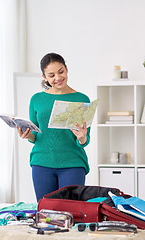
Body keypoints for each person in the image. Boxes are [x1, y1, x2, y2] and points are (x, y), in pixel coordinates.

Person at [17, 52, 91, 202]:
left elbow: (84, 140)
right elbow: (35, 134)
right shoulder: (37, 99)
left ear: (66, 69)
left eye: (61, 71)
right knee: (45, 215)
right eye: (51, 75)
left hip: (72, 163)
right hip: (41, 163)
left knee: (72, 213)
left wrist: (82, 138)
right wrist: (27, 134)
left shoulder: (82, 99)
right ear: (44, 77)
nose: (58, 78)